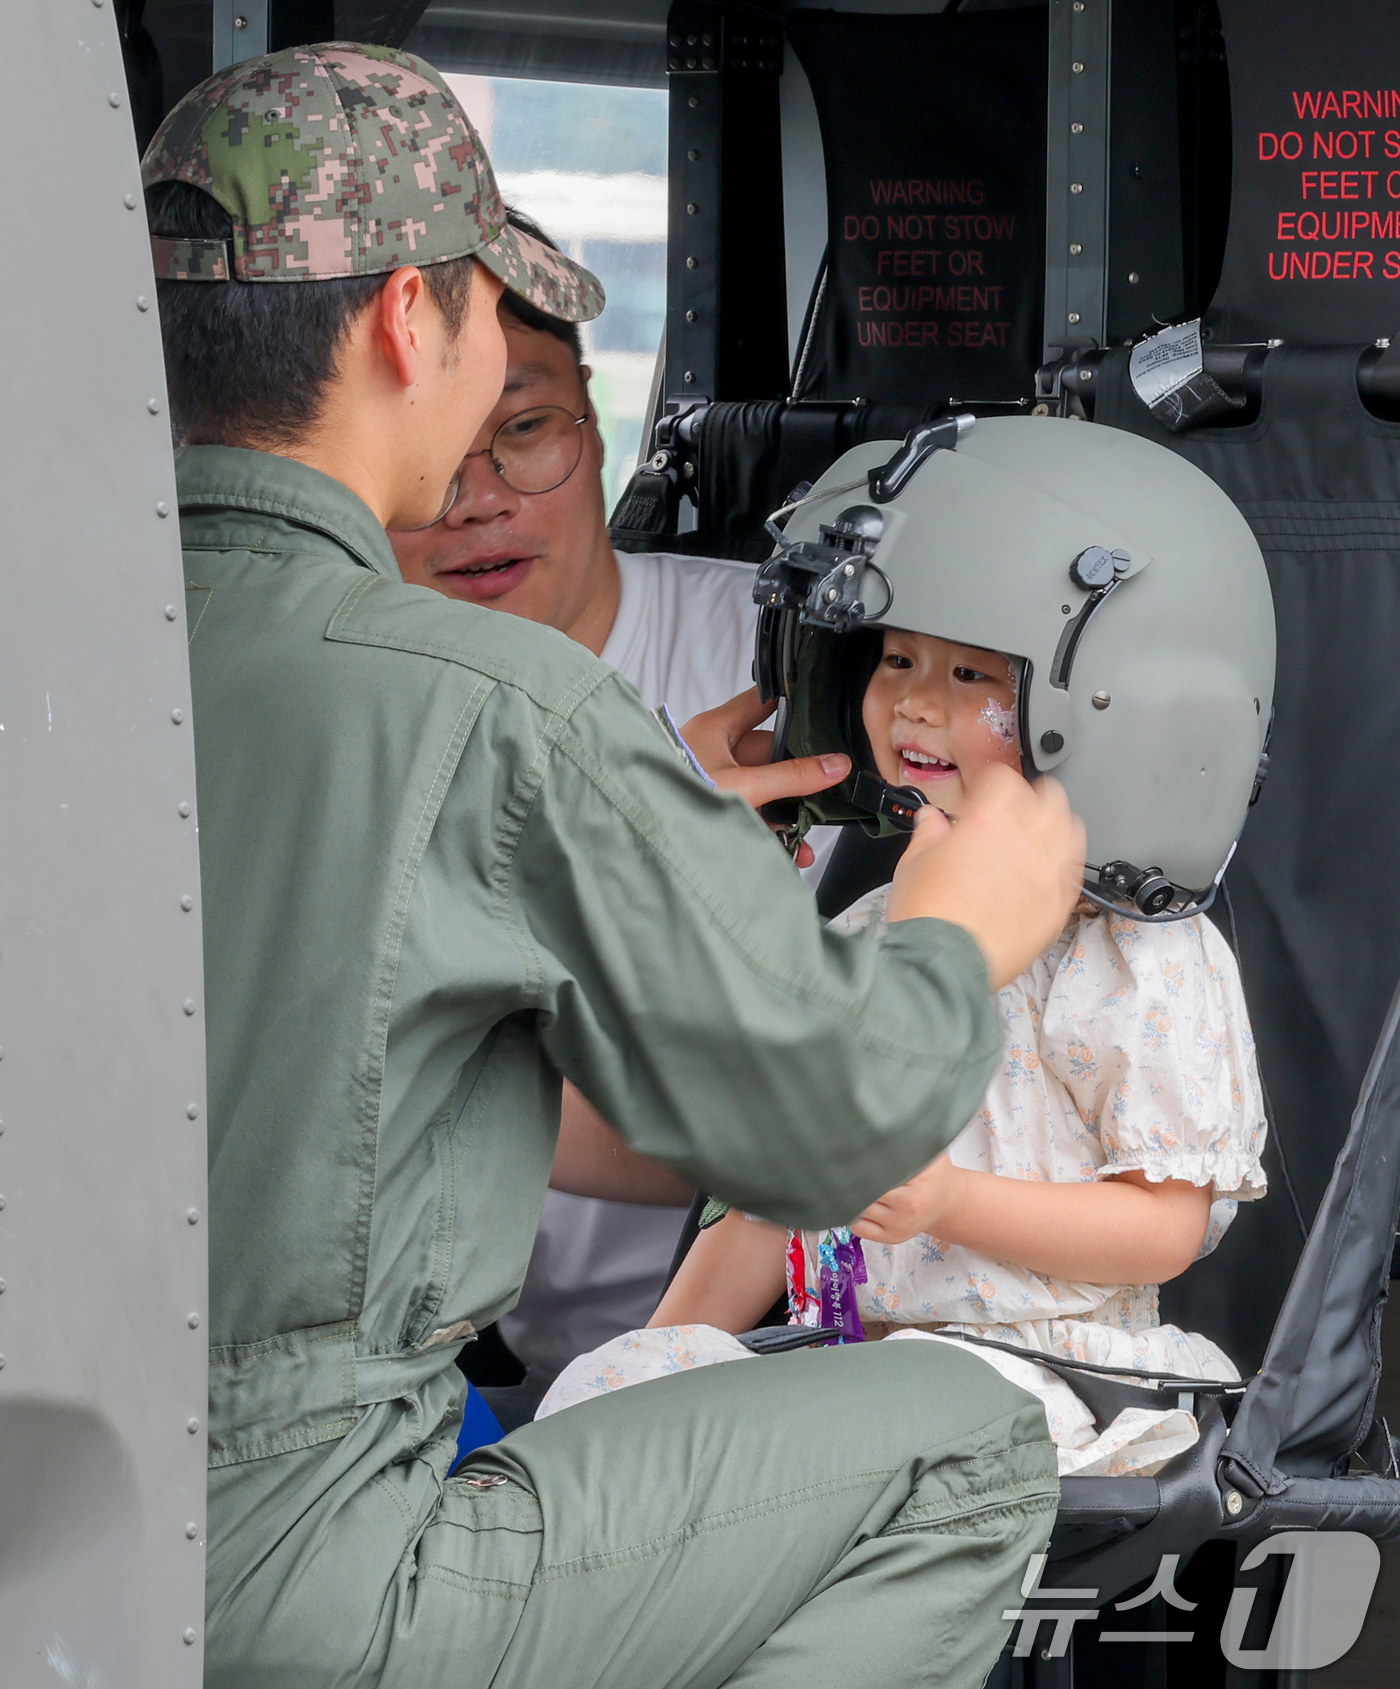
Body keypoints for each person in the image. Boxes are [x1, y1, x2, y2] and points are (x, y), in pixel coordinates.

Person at [145, 43, 1083, 1689]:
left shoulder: (80, 645)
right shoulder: (502, 704)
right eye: (491, 318)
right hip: (308, 1569)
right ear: (406, 325)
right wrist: (954, 932)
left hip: (87, 1508)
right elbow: (824, 1127)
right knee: (966, 1443)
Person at [543, 620, 1267, 1479]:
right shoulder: (866, 929)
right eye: (897, 662)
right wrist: (654, 1364)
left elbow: (1166, 1227)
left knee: (871, 1423)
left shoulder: (1139, 959)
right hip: (850, 1365)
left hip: (1044, 1380)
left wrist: (950, 1201)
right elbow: (769, 1206)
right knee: (599, 1391)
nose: (917, 702)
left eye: (968, 673)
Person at [387, 211, 839, 1386]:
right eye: (432, 453)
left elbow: (827, 1120)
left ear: (595, 423)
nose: (476, 500)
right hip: (440, 1374)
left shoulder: (784, 664)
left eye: (527, 432)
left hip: (763, 1365)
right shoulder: (331, 708)